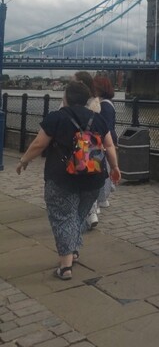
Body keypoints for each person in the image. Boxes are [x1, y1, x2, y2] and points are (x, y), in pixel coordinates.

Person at [16, 80, 121, 280]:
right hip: (93, 179)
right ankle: (73, 250)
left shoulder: (57, 117)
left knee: (63, 217)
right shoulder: (98, 119)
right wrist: (115, 167)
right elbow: (109, 145)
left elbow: (38, 144)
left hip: (62, 178)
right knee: (77, 217)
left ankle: (65, 267)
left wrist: (24, 161)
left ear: (66, 98)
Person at [74, 71, 101, 229]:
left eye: (74, 80)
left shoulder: (76, 102)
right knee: (90, 176)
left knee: (80, 177)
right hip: (92, 146)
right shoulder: (96, 103)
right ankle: (91, 211)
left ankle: (86, 213)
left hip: (80, 144)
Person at [93, 75, 117, 209]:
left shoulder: (104, 106)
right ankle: (103, 197)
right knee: (104, 168)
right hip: (109, 140)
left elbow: (105, 127)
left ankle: (102, 198)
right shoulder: (107, 103)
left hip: (105, 141)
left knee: (103, 169)